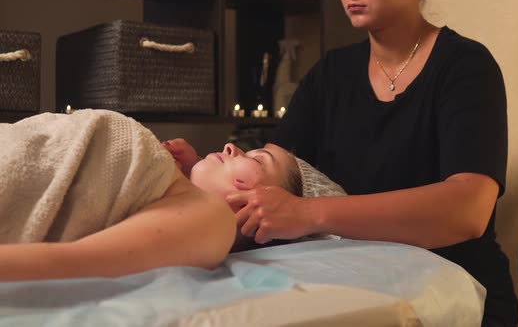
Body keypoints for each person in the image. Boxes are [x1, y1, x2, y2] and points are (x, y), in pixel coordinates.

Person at [223, 0, 518, 326]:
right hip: (362, 291)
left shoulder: (466, 65)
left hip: (456, 301)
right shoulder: (330, 74)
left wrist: (305, 213)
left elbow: (468, 210)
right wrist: (197, 179)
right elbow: (269, 171)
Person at [0, 109, 344, 281]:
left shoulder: (214, 221)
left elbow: (69, 264)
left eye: (258, 160)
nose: (231, 146)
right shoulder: (175, 187)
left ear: (267, 208)